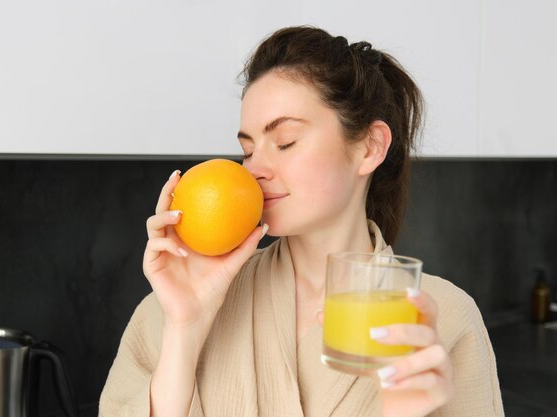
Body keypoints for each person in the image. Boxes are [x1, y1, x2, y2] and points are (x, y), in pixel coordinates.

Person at [100, 26, 503, 417]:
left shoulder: (445, 318)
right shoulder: (179, 301)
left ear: (370, 146)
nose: (255, 169)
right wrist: (186, 327)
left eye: (286, 141)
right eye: (248, 149)